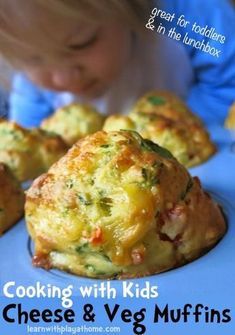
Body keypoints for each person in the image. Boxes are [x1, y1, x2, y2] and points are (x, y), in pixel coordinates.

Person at [0, 0, 234, 127]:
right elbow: (29, 143)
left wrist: (175, 128)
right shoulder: (32, 91)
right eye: (33, 59)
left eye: (82, 44)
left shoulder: (169, 19)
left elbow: (228, 83)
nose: (63, 78)